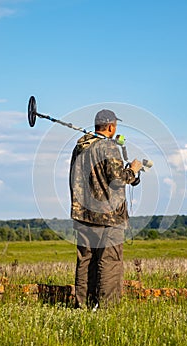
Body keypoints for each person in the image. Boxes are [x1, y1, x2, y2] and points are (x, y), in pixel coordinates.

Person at [69, 109, 142, 309]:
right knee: (109, 261)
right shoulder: (108, 147)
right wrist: (133, 171)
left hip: (83, 215)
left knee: (86, 261)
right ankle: (108, 309)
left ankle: (83, 307)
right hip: (109, 217)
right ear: (111, 127)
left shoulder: (80, 146)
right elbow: (118, 179)